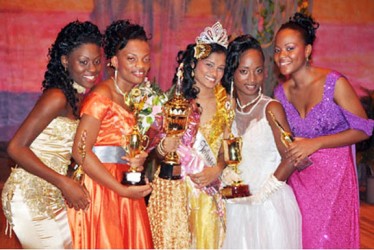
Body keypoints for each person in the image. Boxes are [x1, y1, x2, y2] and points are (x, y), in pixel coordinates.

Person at [273, 12, 374, 248]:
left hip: (335, 184)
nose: (282, 56)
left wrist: (316, 143)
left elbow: (364, 129)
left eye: (289, 48)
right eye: (277, 50)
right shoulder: (280, 93)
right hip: (300, 182)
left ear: (307, 50)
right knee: (301, 240)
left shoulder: (334, 83)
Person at [1, 21, 102, 249]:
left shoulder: (77, 96)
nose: (93, 69)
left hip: (53, 194)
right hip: (30, 196)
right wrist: (64, 183)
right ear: (66, 61)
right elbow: (15, 148)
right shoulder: (57, 97)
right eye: (83, 62)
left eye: (96, 61)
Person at [67, 19, 153, 249]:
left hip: (124, 183)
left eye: (146, 59)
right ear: (114, 61)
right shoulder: (101, 96)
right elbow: (80, 151)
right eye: (132, 58)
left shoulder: (133, 96)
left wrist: (137, 159)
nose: (141, 66)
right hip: (102, 188)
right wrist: (120, 189)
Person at [147, 21, 231, 249]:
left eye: (221, 68)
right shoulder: (176, 101)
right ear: (194, 64)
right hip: (176, 191)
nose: (214, 73)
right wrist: (165, 146)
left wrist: (217, 168)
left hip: (209, 193)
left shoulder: (226, 102)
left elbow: (231, 148)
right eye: (209, 65)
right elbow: (154, 151)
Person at [220, 34, 302, 249]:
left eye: (258, 71)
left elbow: (291, 157)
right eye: (244, 71)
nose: (252, 79)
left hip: (268, 204)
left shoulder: (271, 108)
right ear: (232, 73)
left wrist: (263, 195)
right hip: (234, 205)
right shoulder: (225, 111)